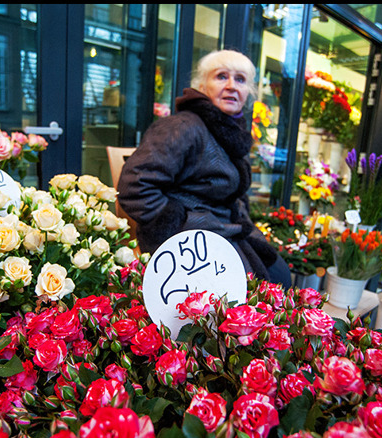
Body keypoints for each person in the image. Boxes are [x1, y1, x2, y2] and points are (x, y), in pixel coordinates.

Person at [117, 49, 292, 288]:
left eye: (240, 79)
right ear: (202, 85)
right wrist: (177, 223)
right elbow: (135, 186)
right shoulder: (181, 127)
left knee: (280, 273)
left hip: (222, 227)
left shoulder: (228, 131)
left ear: (248, 92)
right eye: (221, 76)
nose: (231, 86)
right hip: (188, 235)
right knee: (262, 289)